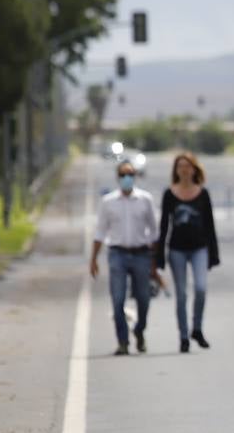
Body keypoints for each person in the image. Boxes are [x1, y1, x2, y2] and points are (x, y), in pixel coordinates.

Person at [90, 160, 159, 356]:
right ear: (117, 177)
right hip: (118, 254)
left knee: (144, 298)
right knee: (118, 299)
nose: (126, 178)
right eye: (122, 175)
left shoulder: (145, 199)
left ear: (135, 177)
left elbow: (154, 232)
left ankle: (139, 330)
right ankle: (122, 341)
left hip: (141, 254)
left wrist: (155, 262)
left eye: (130, 174)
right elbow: (100, 232)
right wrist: (93, 259)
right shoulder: (108, 202)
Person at [155, 152, 220, 354]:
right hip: (177, 249)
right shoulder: (169, 194)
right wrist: (159, 255)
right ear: (176, 170)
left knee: (200, 288)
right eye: (180, 166)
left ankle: (197, 329)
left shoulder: (203, 193)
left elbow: (210, 225)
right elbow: (164, 225)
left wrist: (213, 254)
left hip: (199, 248)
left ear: (194, 169)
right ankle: (183, 336)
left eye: (187, 166)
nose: (184, 169)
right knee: (181, 294)